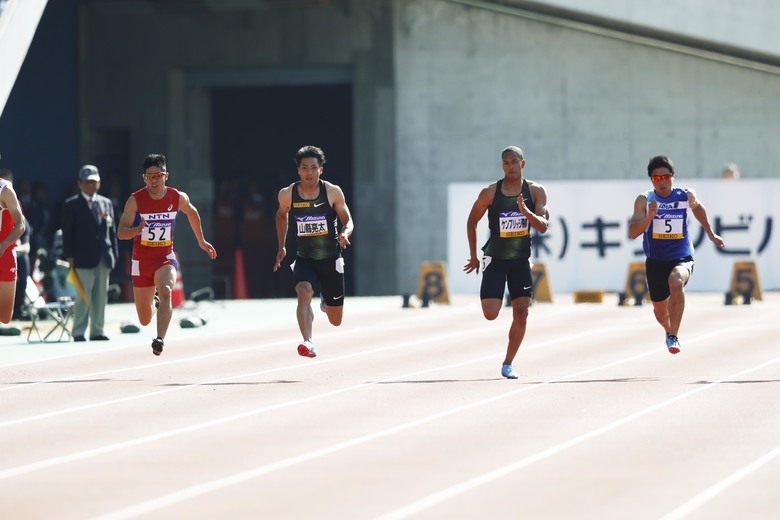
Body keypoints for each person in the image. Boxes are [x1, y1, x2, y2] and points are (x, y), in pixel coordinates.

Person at [117, 153, 217, 356]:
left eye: (158, 176)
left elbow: (192, 212)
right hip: (141, 261)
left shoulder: (177, 197)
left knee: (166, 291)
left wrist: (201, 240)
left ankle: (159, 339)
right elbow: (121, 233)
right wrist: (136, 230)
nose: (154, 180)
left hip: (165, 258)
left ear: (166, 175)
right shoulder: (135, 201)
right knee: (144, 319)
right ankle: (155, 303)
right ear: (144, 178)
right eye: (149, 176)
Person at [464, 146, 549, 380]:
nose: (509, 166)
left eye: (514, 162)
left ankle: (508, 363)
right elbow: (472, 221)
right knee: (490, 314)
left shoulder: (536, 192)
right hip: (495, 259)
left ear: (523, 164)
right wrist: (473, 255)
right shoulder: (490, 192)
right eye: (505, 163)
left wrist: (526, 212)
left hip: (520, 260)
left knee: (521, 312)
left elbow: (543, 226)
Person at [628, 155, 725, 354]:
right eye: (656, 179)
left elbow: (697, 208)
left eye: (665, 177)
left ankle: (673, 336)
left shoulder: (685, 195)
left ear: (672, 176)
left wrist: (711, 233)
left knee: (676, 281)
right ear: (651, 180)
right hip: (655, 261)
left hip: (682, 256)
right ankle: (668, 329)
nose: (662, 182)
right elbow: (633, 232)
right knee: (661, 314)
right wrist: (649, 217)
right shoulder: (644, 200)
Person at [273, 145, 354, 358]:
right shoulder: (287, 194)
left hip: (330, 259)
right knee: (303, 294)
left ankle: (327, 301)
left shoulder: (332, 192)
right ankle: (307, 342)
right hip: (305, 258)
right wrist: (281, 245)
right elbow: (281, 216)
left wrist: (345, 233)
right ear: (298, 170)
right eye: (305, 168)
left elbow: (348, 220)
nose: (309, 173)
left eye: (313, 168)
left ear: (321, 170)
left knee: (336, 320)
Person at [60, 165, 119, 341]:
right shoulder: (71, 205)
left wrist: (114, 253)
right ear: (80, 183)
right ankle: (78, 331)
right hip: (81, 256)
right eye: (87, 182)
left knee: (101, 296)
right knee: (83, 296)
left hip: (103, 255)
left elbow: (112, 231)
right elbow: (67, 233)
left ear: (99, 183)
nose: (90, 185)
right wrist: (69, 255)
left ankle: (97, 330)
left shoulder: (106, 203)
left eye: (93, 182)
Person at [0, 168, 26, 324]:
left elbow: (21, 225)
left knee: (5, 317)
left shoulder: (5, 189)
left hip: (5, 254)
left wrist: (3, 245)